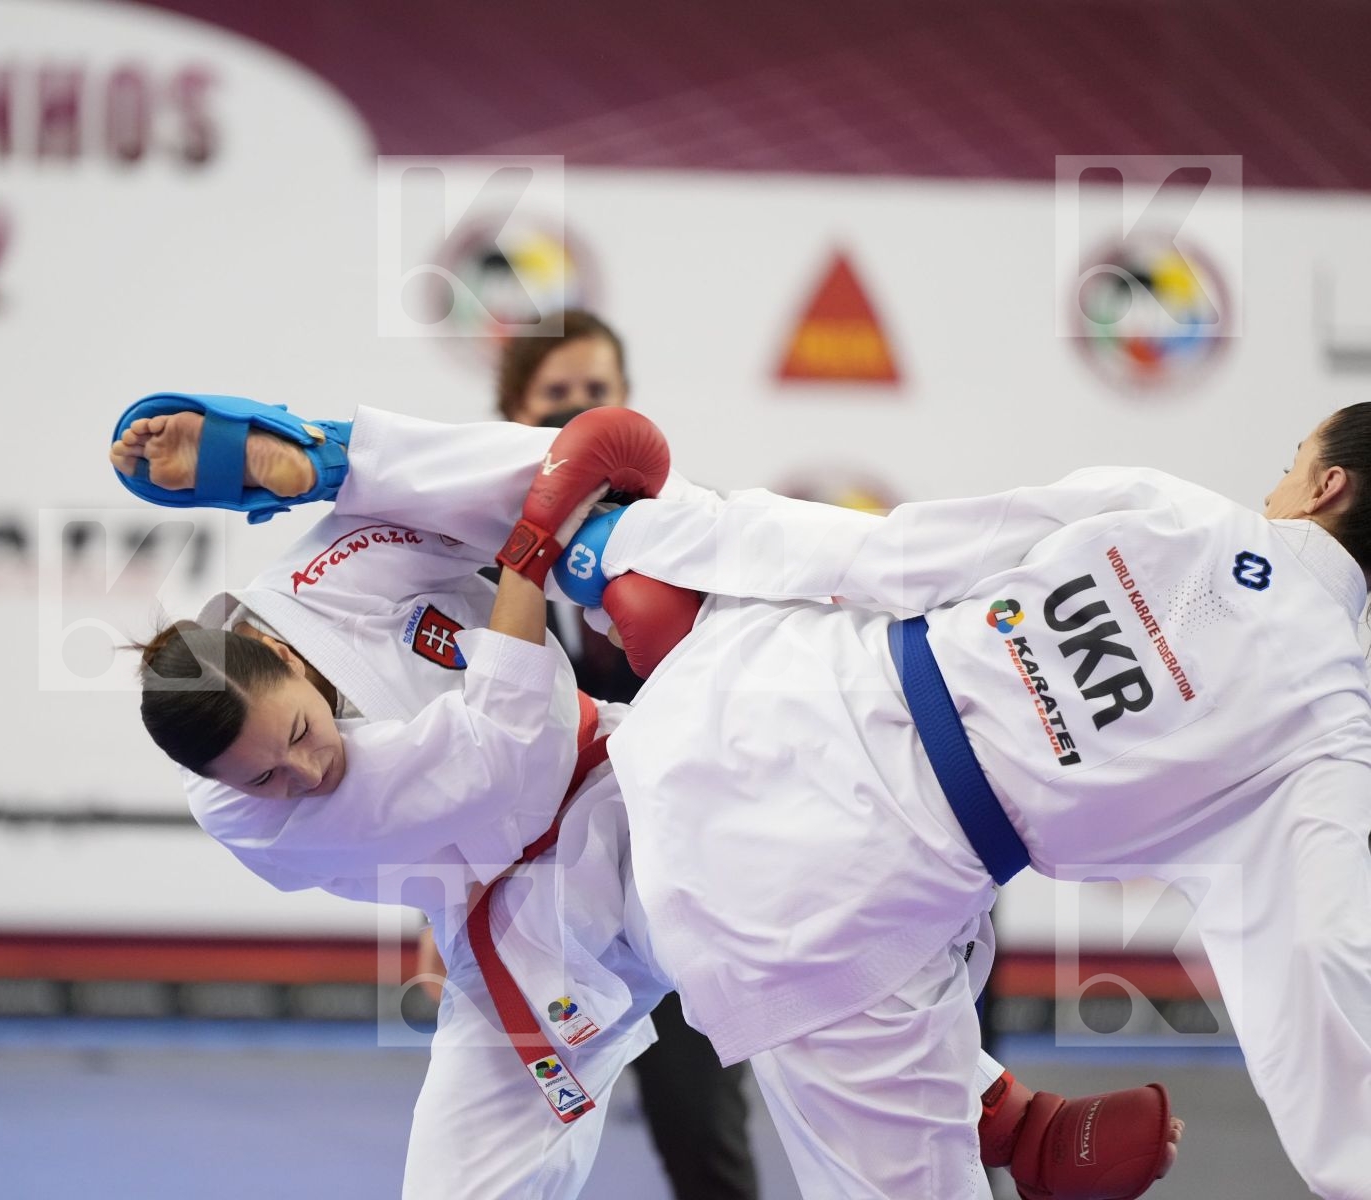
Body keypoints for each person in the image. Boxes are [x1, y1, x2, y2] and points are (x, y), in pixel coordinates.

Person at [108, 398, 1186, 1200]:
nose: (300, 775)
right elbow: (501, 753)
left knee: (800, 890)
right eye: (263, 777)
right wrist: (531, 557)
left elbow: (476, 490)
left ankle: (1007, 1124)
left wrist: (323, 465)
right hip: (528, 934)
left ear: (273, 652)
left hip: (643, 790)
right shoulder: (243, 814)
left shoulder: (333, 573)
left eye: (295, 736)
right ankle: (1002, 1118)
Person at [541, 403, 1371, 1199]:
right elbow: (1321, 953)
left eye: (1288, 467)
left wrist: (659, 537)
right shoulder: (1329, 729)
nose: (1275, 491)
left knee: (546, 888)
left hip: (768, 707)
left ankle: (1010, 1116)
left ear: (1328, 486)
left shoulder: (1184, 514)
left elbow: (898, 554)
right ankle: (1011, 1121)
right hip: (850, 904)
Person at [492, 311, 761, 1200]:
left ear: (625, 407)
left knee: (704, 1132)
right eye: (556, 397)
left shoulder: (699, 535)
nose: (578, 411)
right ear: (512, 412)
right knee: (521, 1151)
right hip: (551, 917)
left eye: (596, 393)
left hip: (692, 888)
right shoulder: (479, 570)